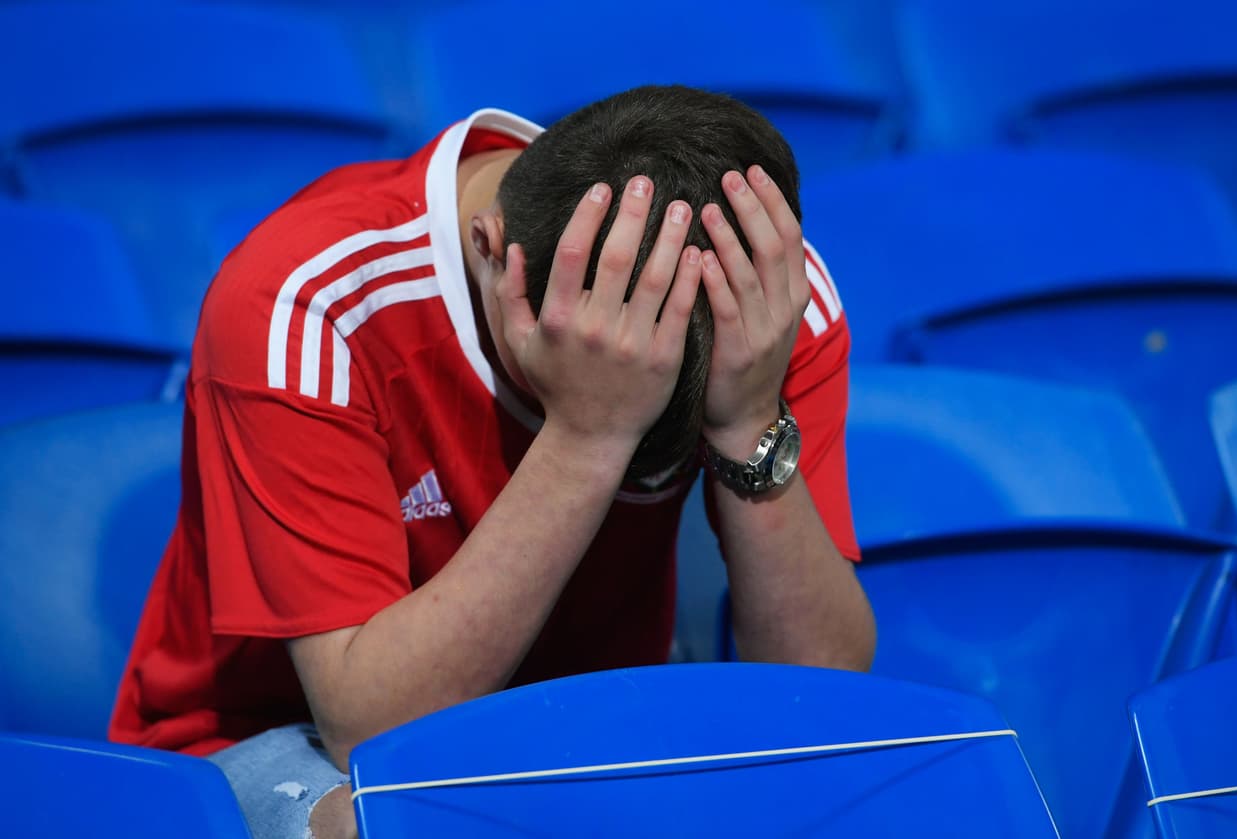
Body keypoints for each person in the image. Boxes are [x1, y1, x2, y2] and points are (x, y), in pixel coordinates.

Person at [109, 84, 876, 839]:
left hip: (582, 720)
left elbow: (824, 696)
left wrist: (745, 422)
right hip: (285, 732)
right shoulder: (301, 302)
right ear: (487, 248)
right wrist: (587, 436)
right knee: (390, 823)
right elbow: (370, 731)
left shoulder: (759, 301)